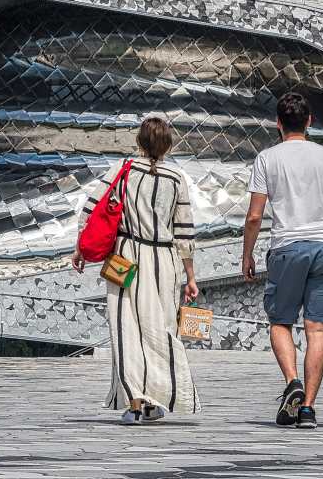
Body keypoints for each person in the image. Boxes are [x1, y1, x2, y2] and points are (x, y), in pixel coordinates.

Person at [72, 116, 202, 424]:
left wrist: (80, 247)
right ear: (169, 145)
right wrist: (191, 276)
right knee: (162, 330)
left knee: (126, 330)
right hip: (164, 264)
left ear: (139, 143)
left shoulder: (124, 170)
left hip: (125, 258)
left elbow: (93, 209)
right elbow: (184, 231)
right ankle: (159, 398)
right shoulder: (176, 177)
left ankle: (134, 402)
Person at [241, 91, 323, 430]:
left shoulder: (267, 158)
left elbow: (254, 216)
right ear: (309, 121)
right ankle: (307, 408)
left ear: (278, 123)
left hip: (286, 247)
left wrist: (247, 255)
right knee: (316, 327)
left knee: (280, 322)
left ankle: (293, 381)